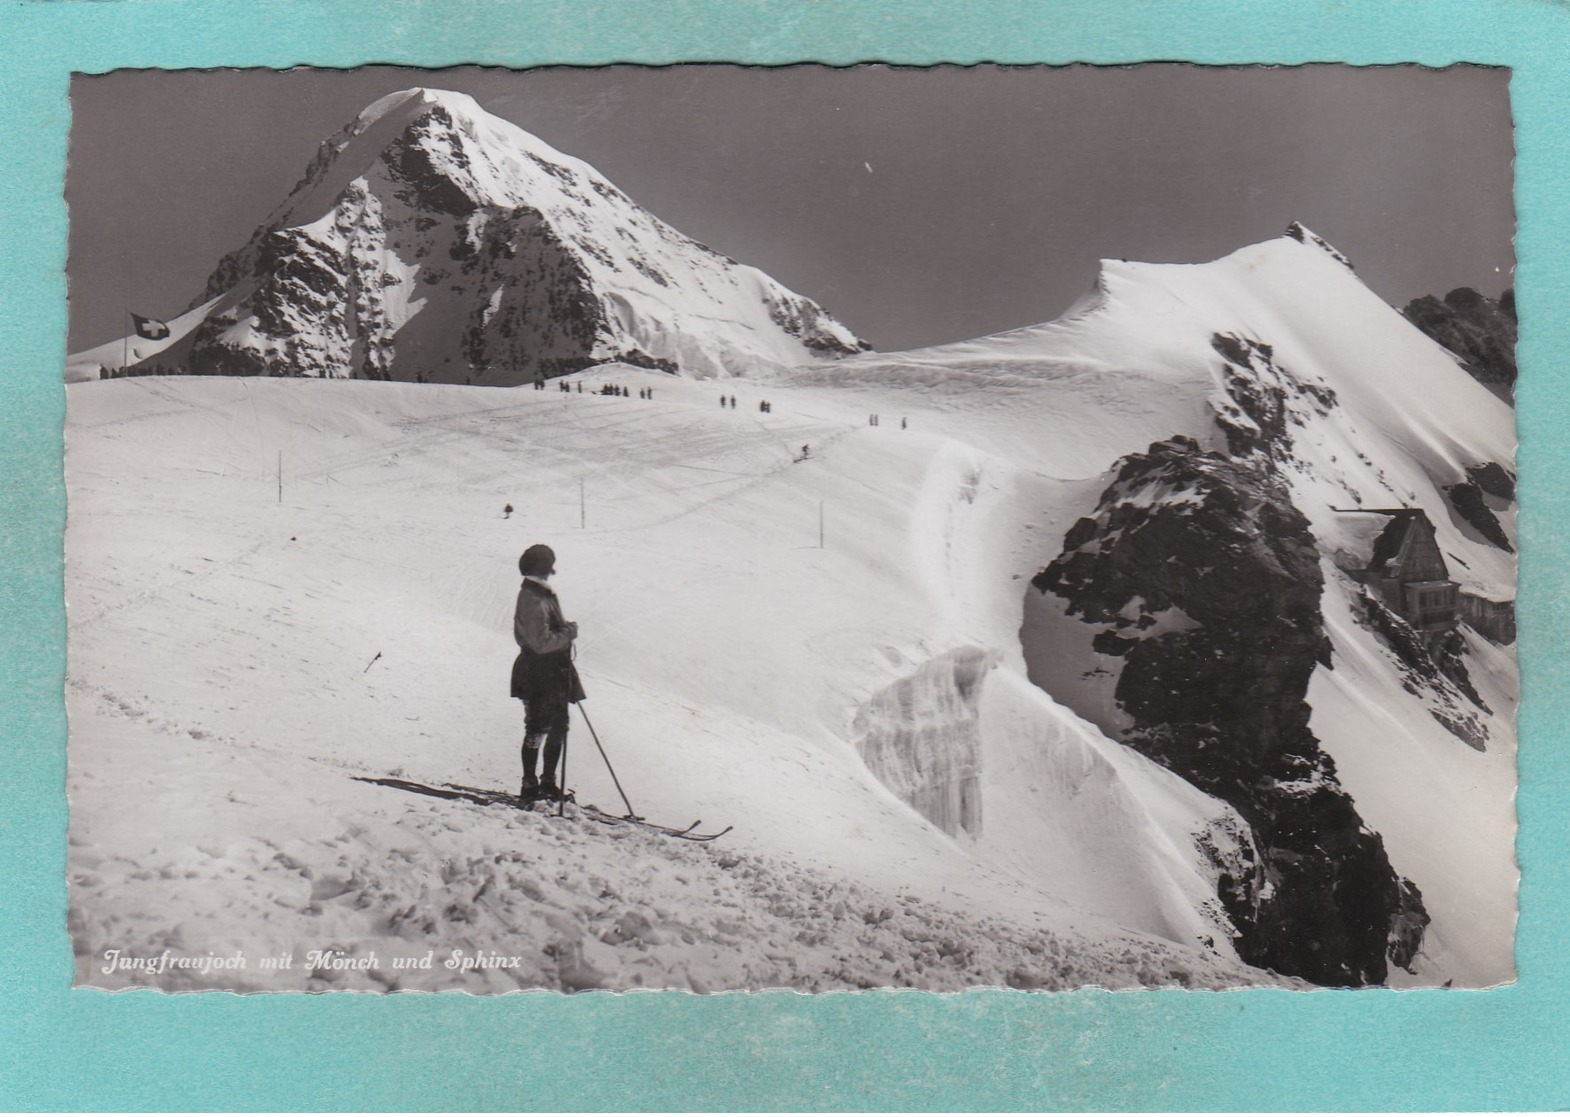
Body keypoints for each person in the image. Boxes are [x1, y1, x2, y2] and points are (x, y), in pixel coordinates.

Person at [509, 544, 584, 803]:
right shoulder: (531, 597)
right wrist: (568, 634)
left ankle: (548, 784)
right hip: (538, 671)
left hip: (554, 670)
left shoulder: (542, 593)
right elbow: (540, 643)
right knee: (538, 727)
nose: (550, 573)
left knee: (559, 727)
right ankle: (530, 785)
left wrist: (563, 630)